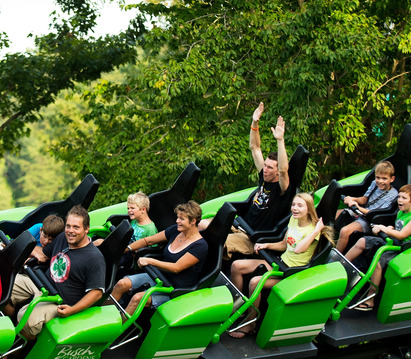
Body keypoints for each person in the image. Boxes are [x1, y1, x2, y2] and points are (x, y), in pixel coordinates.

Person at [228, 193, 331, 338]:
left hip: (291, 273)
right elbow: (284, 244)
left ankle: (251, 323)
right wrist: (266, 245)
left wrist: (316, 231)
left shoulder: (312, 231)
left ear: (308, 209)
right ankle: (237, 307)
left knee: (255, 282)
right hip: (280, 263)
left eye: (300, 206)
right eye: (293, 204)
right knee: (237, 266)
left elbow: (298, 249)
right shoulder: (293, 220)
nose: (295, 208)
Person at [4, 205, 106, 345]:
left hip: (59, 300)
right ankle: (8, 328)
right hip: (41, 282)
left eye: (76, 227)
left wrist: (72, 310)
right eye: (68, 226)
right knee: (2, 285)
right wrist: (28, 250)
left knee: (26, 319)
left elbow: (96, 293)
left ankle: (22, 350)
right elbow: (43, 254)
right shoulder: (62, 238)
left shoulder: (94, 258)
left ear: (86, 229)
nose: (70, 231)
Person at [200, 102, 291, 259]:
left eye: (270, 167)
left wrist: (280, 140)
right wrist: (254, 122)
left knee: (212, 240)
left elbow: (284, 170)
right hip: (239, 225)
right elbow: (255, 148)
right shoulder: (264, 176)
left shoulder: (281, 188)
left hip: (251, 237)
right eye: (265, 166)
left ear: (277, 171)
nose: (265, 169)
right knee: (201, 224)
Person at [110, 201, 208, 316]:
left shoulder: (200, 246)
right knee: (122, 284)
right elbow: (148, 240)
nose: (177, 221)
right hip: (160, 276)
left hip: (175, 290)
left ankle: (117, 331)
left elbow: (177, 267)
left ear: (193, 221)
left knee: (137, 299)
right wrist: (125, 249)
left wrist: (150, 261)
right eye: (177, 218)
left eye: (181, 219)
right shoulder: (175, 230)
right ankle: (103, 317)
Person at [344, 184, 411, 311]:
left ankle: (370, 300)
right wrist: (390, 228)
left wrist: (383, 228)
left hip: (404, 249)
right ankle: (341, 268)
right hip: (393, 242)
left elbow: (403, 234)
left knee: (378, 262)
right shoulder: (401, 212)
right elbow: (398, 228)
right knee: (362, 241)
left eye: (404, 198)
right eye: (399, 197)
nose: (399, 200)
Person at [335, 161, 398, 252]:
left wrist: (358, 207)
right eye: (378, 177)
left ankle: (334, 259)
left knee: (345, 231)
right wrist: (353, 199)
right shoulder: (374, 184)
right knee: (331, 215)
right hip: (359, 211)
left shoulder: (393, 195)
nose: (380, 181)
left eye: (384, 178)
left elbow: (376, 214)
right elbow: (364, 199)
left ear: (392, 179)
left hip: (370, 219)